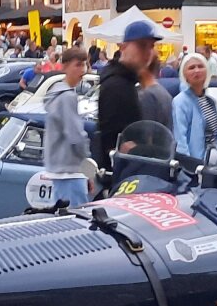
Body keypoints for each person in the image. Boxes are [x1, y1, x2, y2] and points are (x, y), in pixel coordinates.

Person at [94, 21, 156, 164]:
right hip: (123, 176)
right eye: (141, 45)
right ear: (123, 47)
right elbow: (115, 143)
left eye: (151, 46)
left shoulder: (127, 82)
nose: (148, 52)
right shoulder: (117, 85)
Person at [42, 47, 92, 208]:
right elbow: (76, 136)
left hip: (59, 169)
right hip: (71, 170)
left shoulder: (57, 94)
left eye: (84, 64)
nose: (82, 70)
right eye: (77, 65)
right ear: (64, 66)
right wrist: (88, 167)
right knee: (78, 223)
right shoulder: (67, 97)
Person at [173, 53, 217, 165]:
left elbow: (214, 133)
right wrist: (189, 169)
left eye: (200, 66)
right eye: (191, 68)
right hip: (195, 169)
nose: (197, 70)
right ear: (184, 75)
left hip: (213, 164)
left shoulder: (209, 101)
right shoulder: (181, 102)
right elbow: (180, 141)